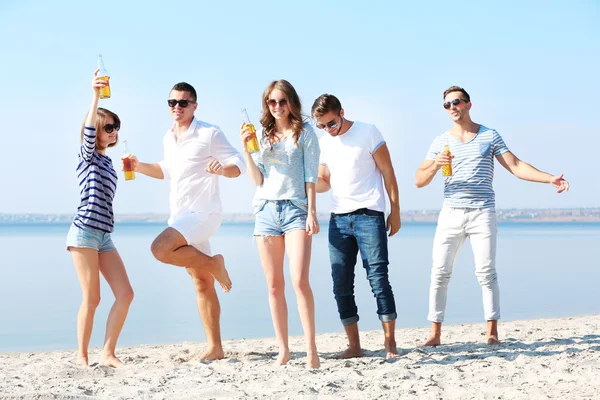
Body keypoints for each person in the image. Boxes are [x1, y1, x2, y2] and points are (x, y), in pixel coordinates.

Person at [415, 85, 570, 346]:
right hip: (450, 212)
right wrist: (435, 166)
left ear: (468, 105)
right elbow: (419, 179)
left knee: (486, 271)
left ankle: (492, 332)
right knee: (440, 272)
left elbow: (516, 165)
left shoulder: (489, 135)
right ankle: (435, 334)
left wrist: (549, 178)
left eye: (456, 102)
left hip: (482, 211)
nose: (452, 107)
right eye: (447, 104)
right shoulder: (440, 141)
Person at [123, 82, 245, 360]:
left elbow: (237, 163)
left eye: (183, 102)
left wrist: (222, 169)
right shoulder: (169, 137)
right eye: (172, 102)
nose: (177, 107)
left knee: (160, 249)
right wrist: (140, 166)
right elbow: (167, 170)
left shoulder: (209, 133)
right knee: (202, 282)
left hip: (204, 214)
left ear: (194, 106)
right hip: (180, 216)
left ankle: (216, 264)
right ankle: (216, 347)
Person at [312, 94, 401, 360]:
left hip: (369, 216)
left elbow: (388, 172)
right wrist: (304, 184)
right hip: (338, 219)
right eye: (322, 126)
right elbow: (325, 181)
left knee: (378, 279)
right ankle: (354, 346)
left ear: (341, 112)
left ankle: (390, 345)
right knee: (341, 283)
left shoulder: (368, 132)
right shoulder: (324, 142)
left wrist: (394, 211)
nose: (329, 130)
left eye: (331, 123)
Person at [240, 80, 321, 368]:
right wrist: (247, 151)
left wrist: (312, 212)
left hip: (296, 210)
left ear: (291, 103)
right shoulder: (262, 136)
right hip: (265, 210)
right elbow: (257, 180)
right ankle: (284, 349)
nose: (276, 107)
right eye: (271, 102)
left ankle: (311, 349)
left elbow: (311, 176)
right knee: (274, 286)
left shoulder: (305, 133)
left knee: (299, 281)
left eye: (281, 101)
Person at [66, 69, 134, 367]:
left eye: (116, 127)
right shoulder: (88, 155)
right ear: (95, 128)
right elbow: (89, 133)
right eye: (108, 126)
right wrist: (95, 96)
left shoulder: (106, 162)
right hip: (84, 233)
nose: (114, 131)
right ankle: (81, 356)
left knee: (126, 294)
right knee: (92, 299)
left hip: (104, 235)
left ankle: (107, 352)